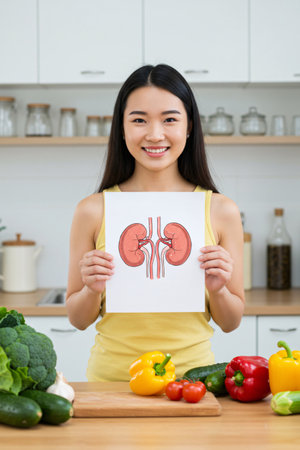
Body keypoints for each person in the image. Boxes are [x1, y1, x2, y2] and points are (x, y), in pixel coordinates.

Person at [66, 64, 245, 381]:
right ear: (121, 128)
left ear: (189, 127)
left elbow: (231, 322)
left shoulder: (221, 210)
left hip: (192, 380)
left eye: (170, 119)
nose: (155, 134)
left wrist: (218, 290)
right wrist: (92, 289)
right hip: (112, 382)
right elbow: (78, 319)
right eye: (138, 120)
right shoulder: (92, 211)